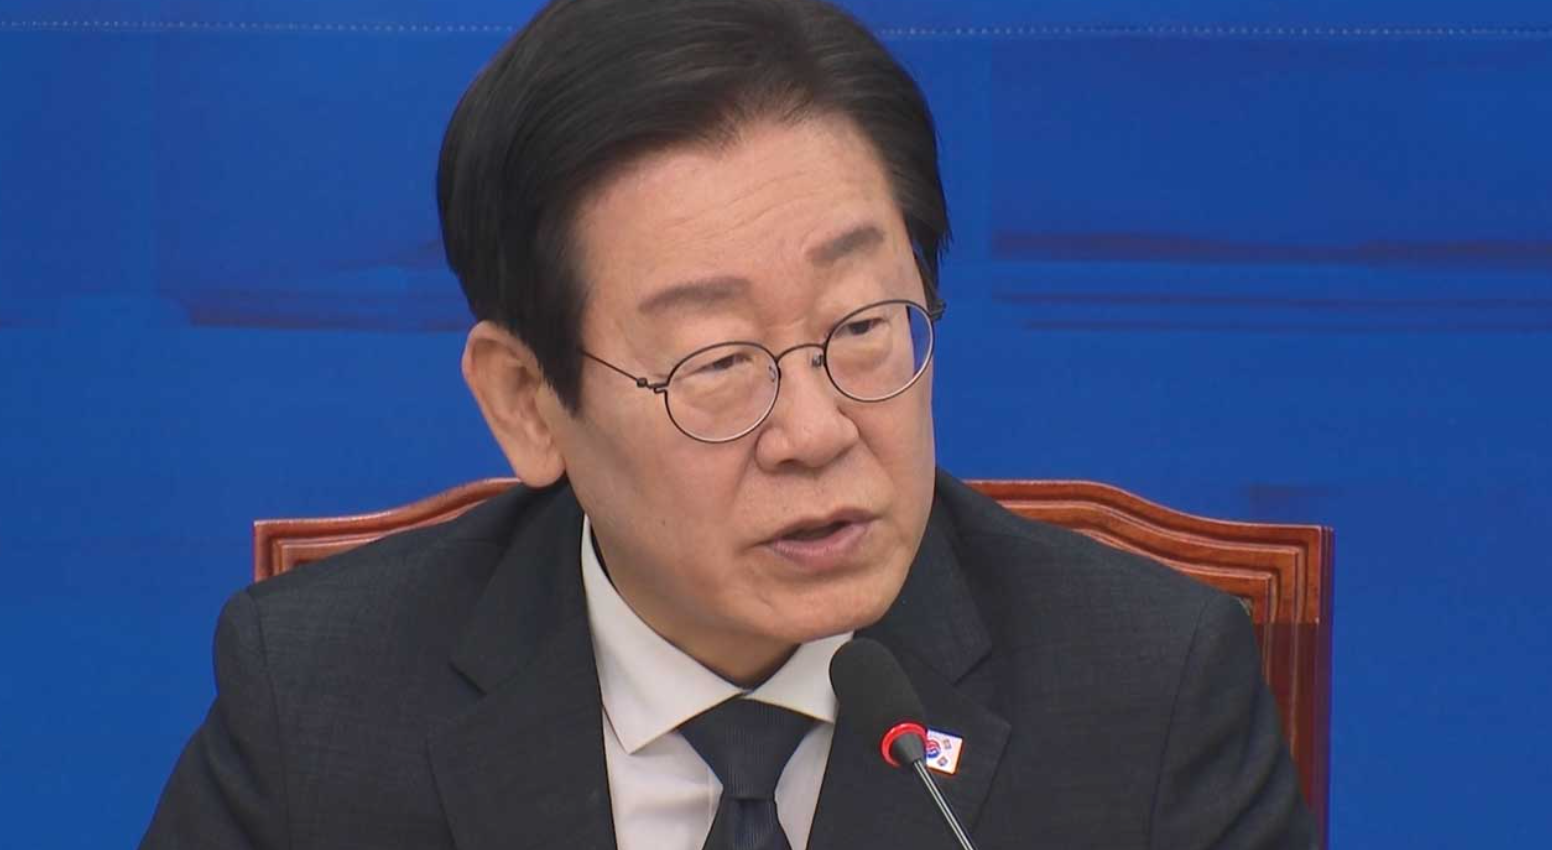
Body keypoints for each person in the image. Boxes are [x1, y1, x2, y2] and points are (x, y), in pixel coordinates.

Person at [142, 0, 1317, 847]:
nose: (815, 431)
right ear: (528, 402)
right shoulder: (321, 702)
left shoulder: (1147, 696)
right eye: (716, 363)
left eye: (863, 326)